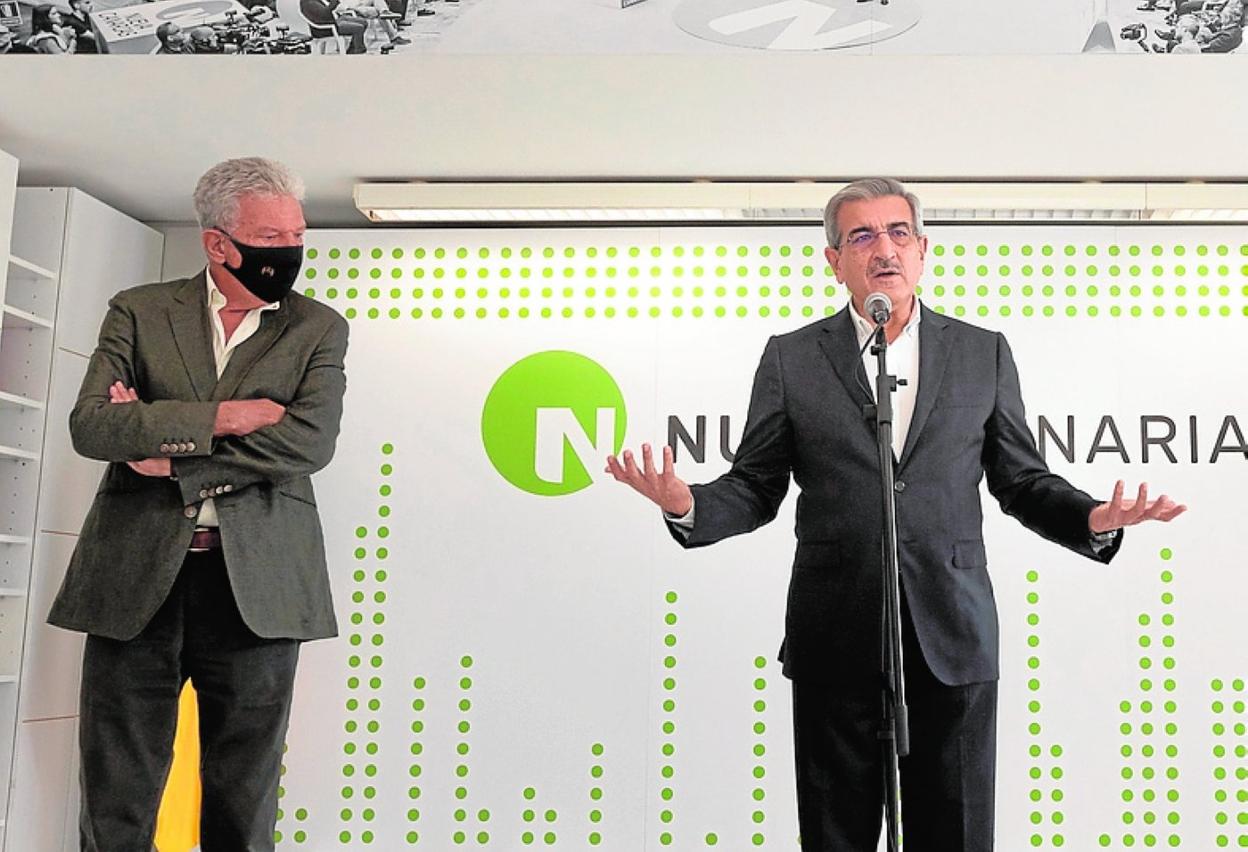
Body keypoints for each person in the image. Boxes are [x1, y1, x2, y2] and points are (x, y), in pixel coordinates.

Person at [606, 178, 1185, 852]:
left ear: (922, 249)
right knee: (836, 837)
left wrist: (1092, 518)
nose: (884, 248)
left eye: (898, 232)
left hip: (953, 635)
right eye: (863, 236)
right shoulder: (792, 358)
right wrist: (688, 505)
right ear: (834, 261)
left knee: (956, 835)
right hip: (835, 634)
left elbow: (1023, 481)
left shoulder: (982, 352)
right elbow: (756, 486)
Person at [49, 157, 349, 852]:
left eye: (297, 235)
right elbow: (93, 427)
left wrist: (168, 451)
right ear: (218, 243)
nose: (291, 250)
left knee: (243, 799)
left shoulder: (318, 328)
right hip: (134, 578)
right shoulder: (139, 310)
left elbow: (307, 444)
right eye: (271, 237)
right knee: (117, 796)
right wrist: (227, 418)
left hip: (258, 589)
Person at [300, 0, 366, 53]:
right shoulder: (309, 3)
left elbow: (331, 5)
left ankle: (353, 47)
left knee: (363, 22)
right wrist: (333, 2)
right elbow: (325, 14)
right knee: (359, 28)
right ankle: (358, 51)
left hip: (334, 20)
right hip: (327, 28)